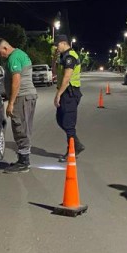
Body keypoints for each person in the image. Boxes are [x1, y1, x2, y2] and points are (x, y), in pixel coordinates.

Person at [0, 38, 37, 173]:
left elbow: (16, 81)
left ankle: (24, 162)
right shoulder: (20, 54)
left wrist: (11, 103)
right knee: (24, 127)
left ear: (5, 48)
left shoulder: (13, 58)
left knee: (19, 128)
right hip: (28, 96)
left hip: (21, 97)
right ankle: (23, 159)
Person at [53, 34, 84, 162]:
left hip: (70, 93)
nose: (56, 47)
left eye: (57, 45)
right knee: (60, 119)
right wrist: (54, 58)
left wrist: (58, 94)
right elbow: (55, 73)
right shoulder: (63, 56)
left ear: (63, 43)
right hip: (65, 92)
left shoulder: (70, 57)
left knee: (68, 123)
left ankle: (72, 151)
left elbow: (66, 78)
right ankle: (77, 145)